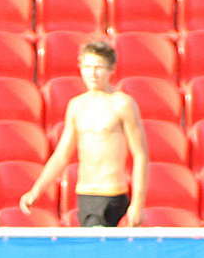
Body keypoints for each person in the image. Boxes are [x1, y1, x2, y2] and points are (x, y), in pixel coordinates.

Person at [19, 39, 149, 227]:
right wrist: (37, 190)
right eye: (88, 67)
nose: (93, 74)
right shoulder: (77, 105)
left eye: (99, 67)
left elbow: (140, 154)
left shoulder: (122, 104)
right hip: (86, 194)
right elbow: (62, 154)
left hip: (111, 192)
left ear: (111, 69)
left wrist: (138, 202)